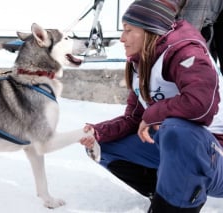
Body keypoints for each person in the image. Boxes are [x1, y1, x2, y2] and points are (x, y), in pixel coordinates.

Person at [79, 0, 223, 212]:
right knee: (103, 146)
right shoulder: (141, 61)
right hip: (175, 144)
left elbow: (200, 105)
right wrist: (99, 132)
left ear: (149, 31)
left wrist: (154, 113)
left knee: (175, 129)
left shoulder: (186, 52)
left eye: (128, 30)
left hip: (214, 153)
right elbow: (133, 118)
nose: (121, 38)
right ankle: (163, 193)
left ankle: (175, 204)